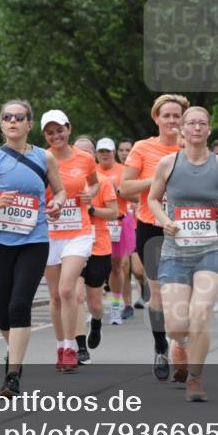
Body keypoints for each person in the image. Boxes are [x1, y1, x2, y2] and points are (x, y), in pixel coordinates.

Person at [0, 100, 64, 396]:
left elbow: (59, 190)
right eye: (7, 118)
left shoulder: (45, 157)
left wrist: (57, 203)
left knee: (19, 306)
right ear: (1, 124)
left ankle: (13, 375)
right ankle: (15, 354)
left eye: (19, 117)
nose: (12, 121)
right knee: (2, 315)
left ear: (29, 124)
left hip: (34, 239)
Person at [148, 106, 218, 401]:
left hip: (210, 250)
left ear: (210, 130)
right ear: (183, 129)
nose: (197, 128)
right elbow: (152, 199)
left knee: (199, 313)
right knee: (176, 324)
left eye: (203, 123)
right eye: (192, 123)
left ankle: (195, 379)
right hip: (175, 252)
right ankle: (181, 343)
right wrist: (165, 221)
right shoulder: (168, 163)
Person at [121, 94, 188, 380]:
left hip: (187, 228)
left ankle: (180, 345)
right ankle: (162, 346)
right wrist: (158, 179)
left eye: (177, 116)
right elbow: (124, 188)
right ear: (156, 118)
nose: (172, 121)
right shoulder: (143, 148)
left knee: (184, 293)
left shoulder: (193, 147)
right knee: (159, 291)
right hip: (152, 227)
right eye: (167, 116)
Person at [42, 110, 98, 373]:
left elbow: (94, 184)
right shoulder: (40, 159)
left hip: (78, 232)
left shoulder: (85, 158)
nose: (56, 136)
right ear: (44, 135)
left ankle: (72, 348)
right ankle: (61, 344)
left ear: (69, 129)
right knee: (54, 296)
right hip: (49, 234)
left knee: (67, 290)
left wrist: (89, 197)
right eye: (50, 132)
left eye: (60, 130)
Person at [72, 136, 118, 364]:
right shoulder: (66, 181)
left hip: (98, 246)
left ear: (91, 156)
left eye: (85, 153)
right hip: (73, 244)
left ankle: (97, 322)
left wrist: (91, 210)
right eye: (76, 152)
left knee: (95, 303)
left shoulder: (102, 181)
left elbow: (114, 212)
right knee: (76, 295)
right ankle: (81, 347)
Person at [95, 137, 133, 324]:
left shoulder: (123, 171)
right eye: (101, 151)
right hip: (96, 223)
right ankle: (95, 307)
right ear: (96, 154)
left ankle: (115, 306)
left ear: (113, 153)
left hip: (118, 223)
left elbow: (137, 196)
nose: (104, 155)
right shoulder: (91, 172)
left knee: (117, 267)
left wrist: (120, 191)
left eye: (107, 151)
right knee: (95, 267)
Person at [118, 138, 149, 313]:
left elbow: (147, 195)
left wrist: (137, 201)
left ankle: (146, 288)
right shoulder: (114, 171)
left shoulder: (140, 170)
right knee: (122, 266)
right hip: (119, 227)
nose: (124, 153)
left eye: (128, 149)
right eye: (121, 150)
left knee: (138, 269)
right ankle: (127, 304)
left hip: (138, 225)